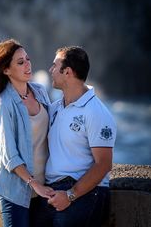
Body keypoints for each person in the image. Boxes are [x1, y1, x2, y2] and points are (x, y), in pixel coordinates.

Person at [32, 46, 117, 227]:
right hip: (52, 192)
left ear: (68, 72)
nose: (50, 70)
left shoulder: (97, 112)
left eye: (54, 66)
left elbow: (103, 164)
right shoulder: (54, 108)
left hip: (83, 194)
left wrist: (70, 195)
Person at [0, 39, 55, 227]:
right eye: (20, 62)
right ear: (6, 70)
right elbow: (9, 155)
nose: (27, 65)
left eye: (27, 59)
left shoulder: (40, 91)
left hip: (45, 185)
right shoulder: (3, 104)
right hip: (15, 189)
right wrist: (35, 185)